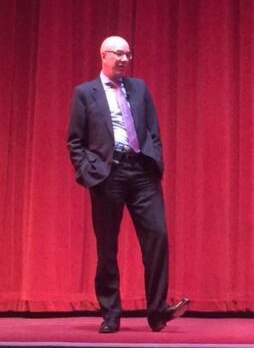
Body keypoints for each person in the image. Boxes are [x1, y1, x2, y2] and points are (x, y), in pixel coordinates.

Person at [67, 36, 189, 333]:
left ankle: (157, 310)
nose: (124, 59)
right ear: (103, 55)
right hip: (107, 175)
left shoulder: (139, 88)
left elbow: (153, 130)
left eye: (128, 55)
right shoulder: (85, 93)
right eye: (118, 54)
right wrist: (87, 171)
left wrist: (155, 159)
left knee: (157, 237)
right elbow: (75, 140)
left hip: (142, 172)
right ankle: (111, 314)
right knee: (107, 247)